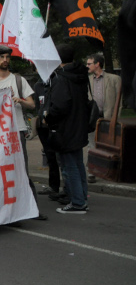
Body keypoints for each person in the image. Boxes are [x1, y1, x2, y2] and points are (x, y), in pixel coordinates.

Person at [0, 46, 45, 219]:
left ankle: (33, 208)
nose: (5, 60)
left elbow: (32, 105)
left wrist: (19, 100)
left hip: (18, 130)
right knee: (1, 171)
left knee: (22, 169)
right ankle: (6, 209)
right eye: (1, 57)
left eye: (7, 57)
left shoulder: (19, 80)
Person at [47, 44, 91, 214]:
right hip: (79, 125)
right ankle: (82, 197)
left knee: (69, 166)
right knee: (78, 164)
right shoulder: (80, 74)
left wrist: (48, 116)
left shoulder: (61, 77)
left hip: (65, 128)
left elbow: (59, 106)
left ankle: (77, 202)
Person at [86, 52, 122, 183]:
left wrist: (115, 119)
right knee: (91, 144)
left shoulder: (114, 79)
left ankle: (109, 171)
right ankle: (92, 172)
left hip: (108, 118)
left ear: (97, 64)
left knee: (108, 145)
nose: (87, 66)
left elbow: (120, 101)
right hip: (93, 118)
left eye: (89, 63)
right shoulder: (87, 80)